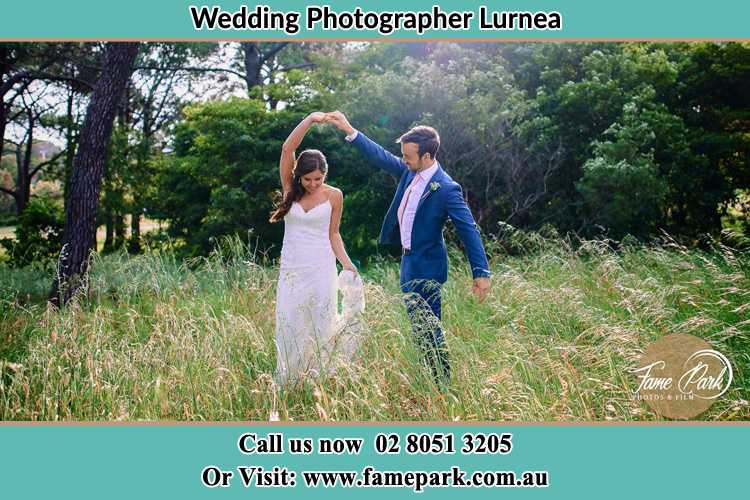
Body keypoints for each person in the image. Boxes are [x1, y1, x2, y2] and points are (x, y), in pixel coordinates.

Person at [326, 111, 491, 388]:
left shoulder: (447, 188)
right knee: (419, 329)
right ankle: (431, 380)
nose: (403, 159)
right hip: (407, 264)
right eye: (403, 155)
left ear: (426, 156)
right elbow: (379, 156)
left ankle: (442, 385)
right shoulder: (407, 171)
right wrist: (350, 131)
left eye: (408, 156)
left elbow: (468, 229)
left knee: (430, 328)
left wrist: (481, 272)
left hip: (428, 266)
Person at [269, 112, 362, 386]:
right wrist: (310, 120)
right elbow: (288, 148)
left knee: (320, 321)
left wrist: (347, 263)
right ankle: (289, 378)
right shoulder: (290, 189)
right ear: (299, 176)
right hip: (293, 268)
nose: (312, 184)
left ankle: (316, 378)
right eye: (308, 179)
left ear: (325, 176)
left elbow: (333, 233)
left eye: (318, 179)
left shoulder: (334, 196)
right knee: (290, 320)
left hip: (321, 267)